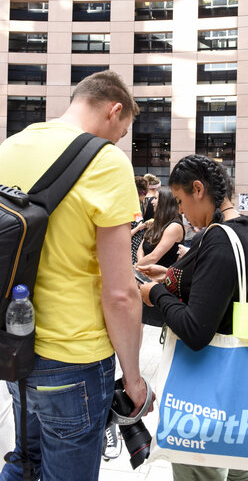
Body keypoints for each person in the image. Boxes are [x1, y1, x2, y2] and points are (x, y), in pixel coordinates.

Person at [0, 70, 153, 481]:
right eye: (121, 132)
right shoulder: (107, 162)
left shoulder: (10, 147)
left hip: (17, 349)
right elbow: (120, 292)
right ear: (114, 110)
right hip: (74, 359)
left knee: (24, 460)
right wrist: (134, 380)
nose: (118, 141)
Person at [139, 154, 248, 481]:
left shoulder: (220, 239)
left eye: (180, 201)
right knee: (241, 469)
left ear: (198, 189)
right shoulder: (244, 230)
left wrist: (155, 293)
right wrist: (170, 273)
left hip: (204, 391)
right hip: (235, 380)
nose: (181, 212)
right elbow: (222, 287)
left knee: (199, 468)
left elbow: (195, 331)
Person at [137, 187, 184, 327]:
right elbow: (142, 246)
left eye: (156, 198)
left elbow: (154, 256)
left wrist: (135, 268)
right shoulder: (156, 223)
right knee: (139, 323)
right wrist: (141, 265)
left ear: (165, 202)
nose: (152, 201)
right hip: (146, 279)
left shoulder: (174, 226)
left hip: (163, 284)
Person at [131, 176, 149, 264]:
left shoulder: (137, 206)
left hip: (136, 247)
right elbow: (126, 234)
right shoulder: (128, 207)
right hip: (130, 248)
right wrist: (139, 228)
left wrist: (144, 225)